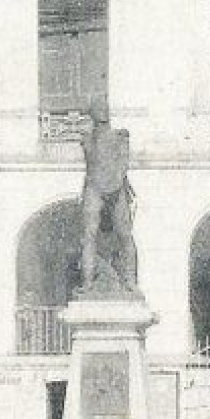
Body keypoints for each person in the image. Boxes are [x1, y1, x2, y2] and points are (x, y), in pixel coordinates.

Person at [78, 98, 138, 293]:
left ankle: (129, 281)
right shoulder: (92, 139)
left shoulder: (111, 138)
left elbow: (121, 164)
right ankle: (88, 283)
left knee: (123, 235)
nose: (102, 114)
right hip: (101, 186)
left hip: (105, 186)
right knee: (93, 236)